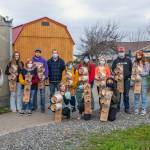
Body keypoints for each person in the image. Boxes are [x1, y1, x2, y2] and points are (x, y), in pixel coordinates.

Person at [112, 47, 132, 114]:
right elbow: (112, 70)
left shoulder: (128, 60)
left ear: (124, 52)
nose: (121, 53)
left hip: (126, 79)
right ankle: (117, 108)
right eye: (120, 52)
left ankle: (127, 108)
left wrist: (129, 77)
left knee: (126, 94)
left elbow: (131, 69)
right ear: (118, 53)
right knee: (118, 94)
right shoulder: (115, 61)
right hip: (118, 80)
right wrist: (115, 73)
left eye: (122, 52)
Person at [132, 50, 149, 115]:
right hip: (136, 81)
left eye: (139, 55)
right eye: (137, 55)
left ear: (142, 55)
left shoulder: (146, 63)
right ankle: (136, 108)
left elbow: (147, 72)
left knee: (143, 95)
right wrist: (134, 77)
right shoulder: (135, 63)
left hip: (143, 80)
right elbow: (133, 71)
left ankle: (143, 109)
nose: (138, 56)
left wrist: (140, 73)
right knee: (136, 95)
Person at [32, 48, 48, 112]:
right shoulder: (32, 60)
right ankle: (34, 106)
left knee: (42, 94)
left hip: (41, 79)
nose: (37, 53)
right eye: (36, 52)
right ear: (35, 53)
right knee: (34, 93)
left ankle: (42, 108)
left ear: (40, 53)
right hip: (35, 79)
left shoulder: (43, 60)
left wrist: (46, 76)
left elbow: (46, 68)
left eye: (39, 52)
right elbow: (30, 68)